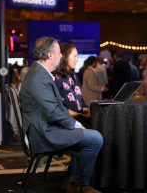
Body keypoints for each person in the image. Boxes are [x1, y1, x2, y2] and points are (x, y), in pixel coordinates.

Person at [19, 37, 103, 193]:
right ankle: (80, 185)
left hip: (43, 127)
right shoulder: (38, 77)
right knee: (95, 138)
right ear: (50, 55)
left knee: (88, 135)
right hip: (43, 133)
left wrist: (75, 123)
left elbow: (56, 109)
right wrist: (75, 124)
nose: (60, 56)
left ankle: (74, 180)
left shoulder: (39, 73)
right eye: (58, 53)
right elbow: (53, 113)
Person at [53, 43, 90, 126]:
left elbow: (80, 101)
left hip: (79, 120)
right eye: (75, 56)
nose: (77, 59)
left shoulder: (73, 75)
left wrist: (88, 110)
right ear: (65, 57)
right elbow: (58, 109)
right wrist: (81, 114)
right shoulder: (56, 78)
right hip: (67, 124)